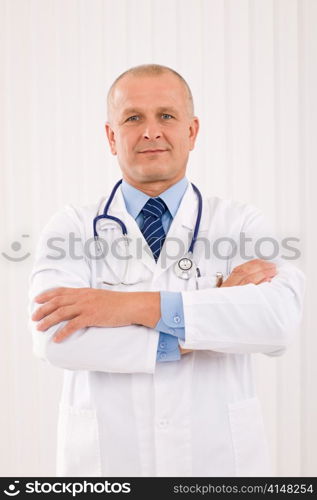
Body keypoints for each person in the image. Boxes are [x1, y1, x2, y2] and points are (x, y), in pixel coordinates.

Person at [28, 64, 305, 477]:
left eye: (167, 116)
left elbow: (276, 321)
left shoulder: (241, 224)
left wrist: (122, 307)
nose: (151, 131)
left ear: (192, 132)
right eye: (133, 117)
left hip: (217, 465)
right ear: (111, 136)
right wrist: (209, 314)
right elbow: (53, 338)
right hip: (109, 466)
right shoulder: (70, 227)